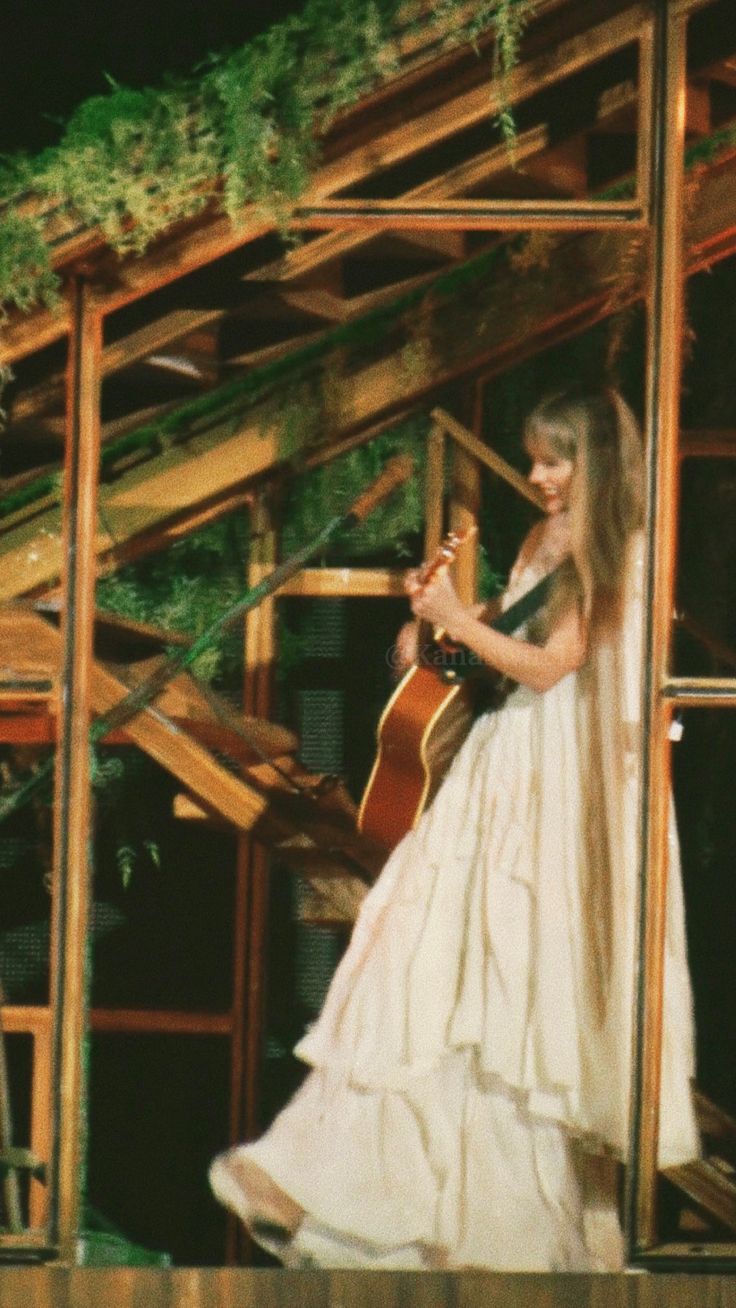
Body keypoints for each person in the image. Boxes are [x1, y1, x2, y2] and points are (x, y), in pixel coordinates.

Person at [209, 386, 699, 1270]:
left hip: (565, 788)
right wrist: (432, 640)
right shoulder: (541, 538)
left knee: (517, 989)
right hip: (507, 767)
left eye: (558, 460)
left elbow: (554, 668)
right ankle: (342, 1182)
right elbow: (503, 654)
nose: (543, 477)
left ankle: (514, 1225)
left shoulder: (616, 545)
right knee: (430, 962)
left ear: (599, 461)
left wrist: (457, 623)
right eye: (537, 458)